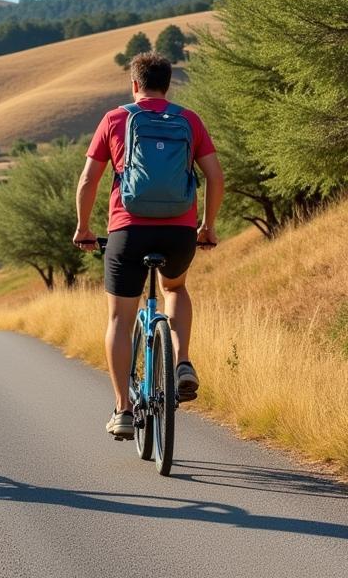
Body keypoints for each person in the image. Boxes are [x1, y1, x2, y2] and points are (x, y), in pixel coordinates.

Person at [73, 51, 224, 440]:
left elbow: (89, 181)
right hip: (178, 232)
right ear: (168, 84)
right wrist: (206, 226)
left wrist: (83, 228)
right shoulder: (188, 119)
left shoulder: (115, 118)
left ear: (134, 84)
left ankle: (123, 409)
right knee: (174, 286)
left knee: (120, 319)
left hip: (127, 230)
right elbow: (215, 176)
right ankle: (184, 362)